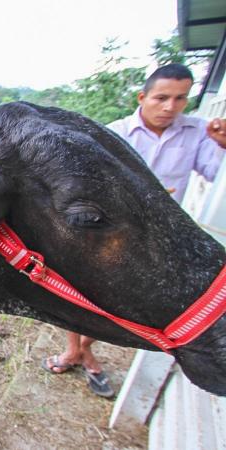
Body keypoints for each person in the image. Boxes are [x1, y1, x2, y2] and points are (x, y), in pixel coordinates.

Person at [42, 63, 226, 398]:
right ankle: (78, 352)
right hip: (105, 236)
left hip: (157, 240)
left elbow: (216, 174)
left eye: (180, 98)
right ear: (143, 97)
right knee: (77, 294)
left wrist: (223, 146)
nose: (170, 106)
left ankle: (80, 351)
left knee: (124, 304)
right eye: (162, 97)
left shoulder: (199, 133)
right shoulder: (113, 134)